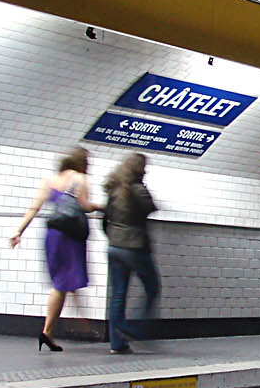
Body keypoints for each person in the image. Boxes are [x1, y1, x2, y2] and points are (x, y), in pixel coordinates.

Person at [10, 146, 100, 351]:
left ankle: (60, 328)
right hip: (71, 236)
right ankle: (53, 330)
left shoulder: (50, 181)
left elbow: (35, 207)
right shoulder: (80, 179)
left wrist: (18, 231)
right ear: (82, 162)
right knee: (62, 284)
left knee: (64, 281)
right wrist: (101, 207)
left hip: (52, 235)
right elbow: (85, 205)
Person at [103, 153, 161, 354]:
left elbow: (104, 219)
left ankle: (116, 343)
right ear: (139, 169)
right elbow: (151, 208)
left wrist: (113, 238)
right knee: (152, 287)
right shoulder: (137, 189)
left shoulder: (114, 189)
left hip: (114, 246)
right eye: (144, 168)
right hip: (135, 247)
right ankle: (133, 328)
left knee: (118, 294)